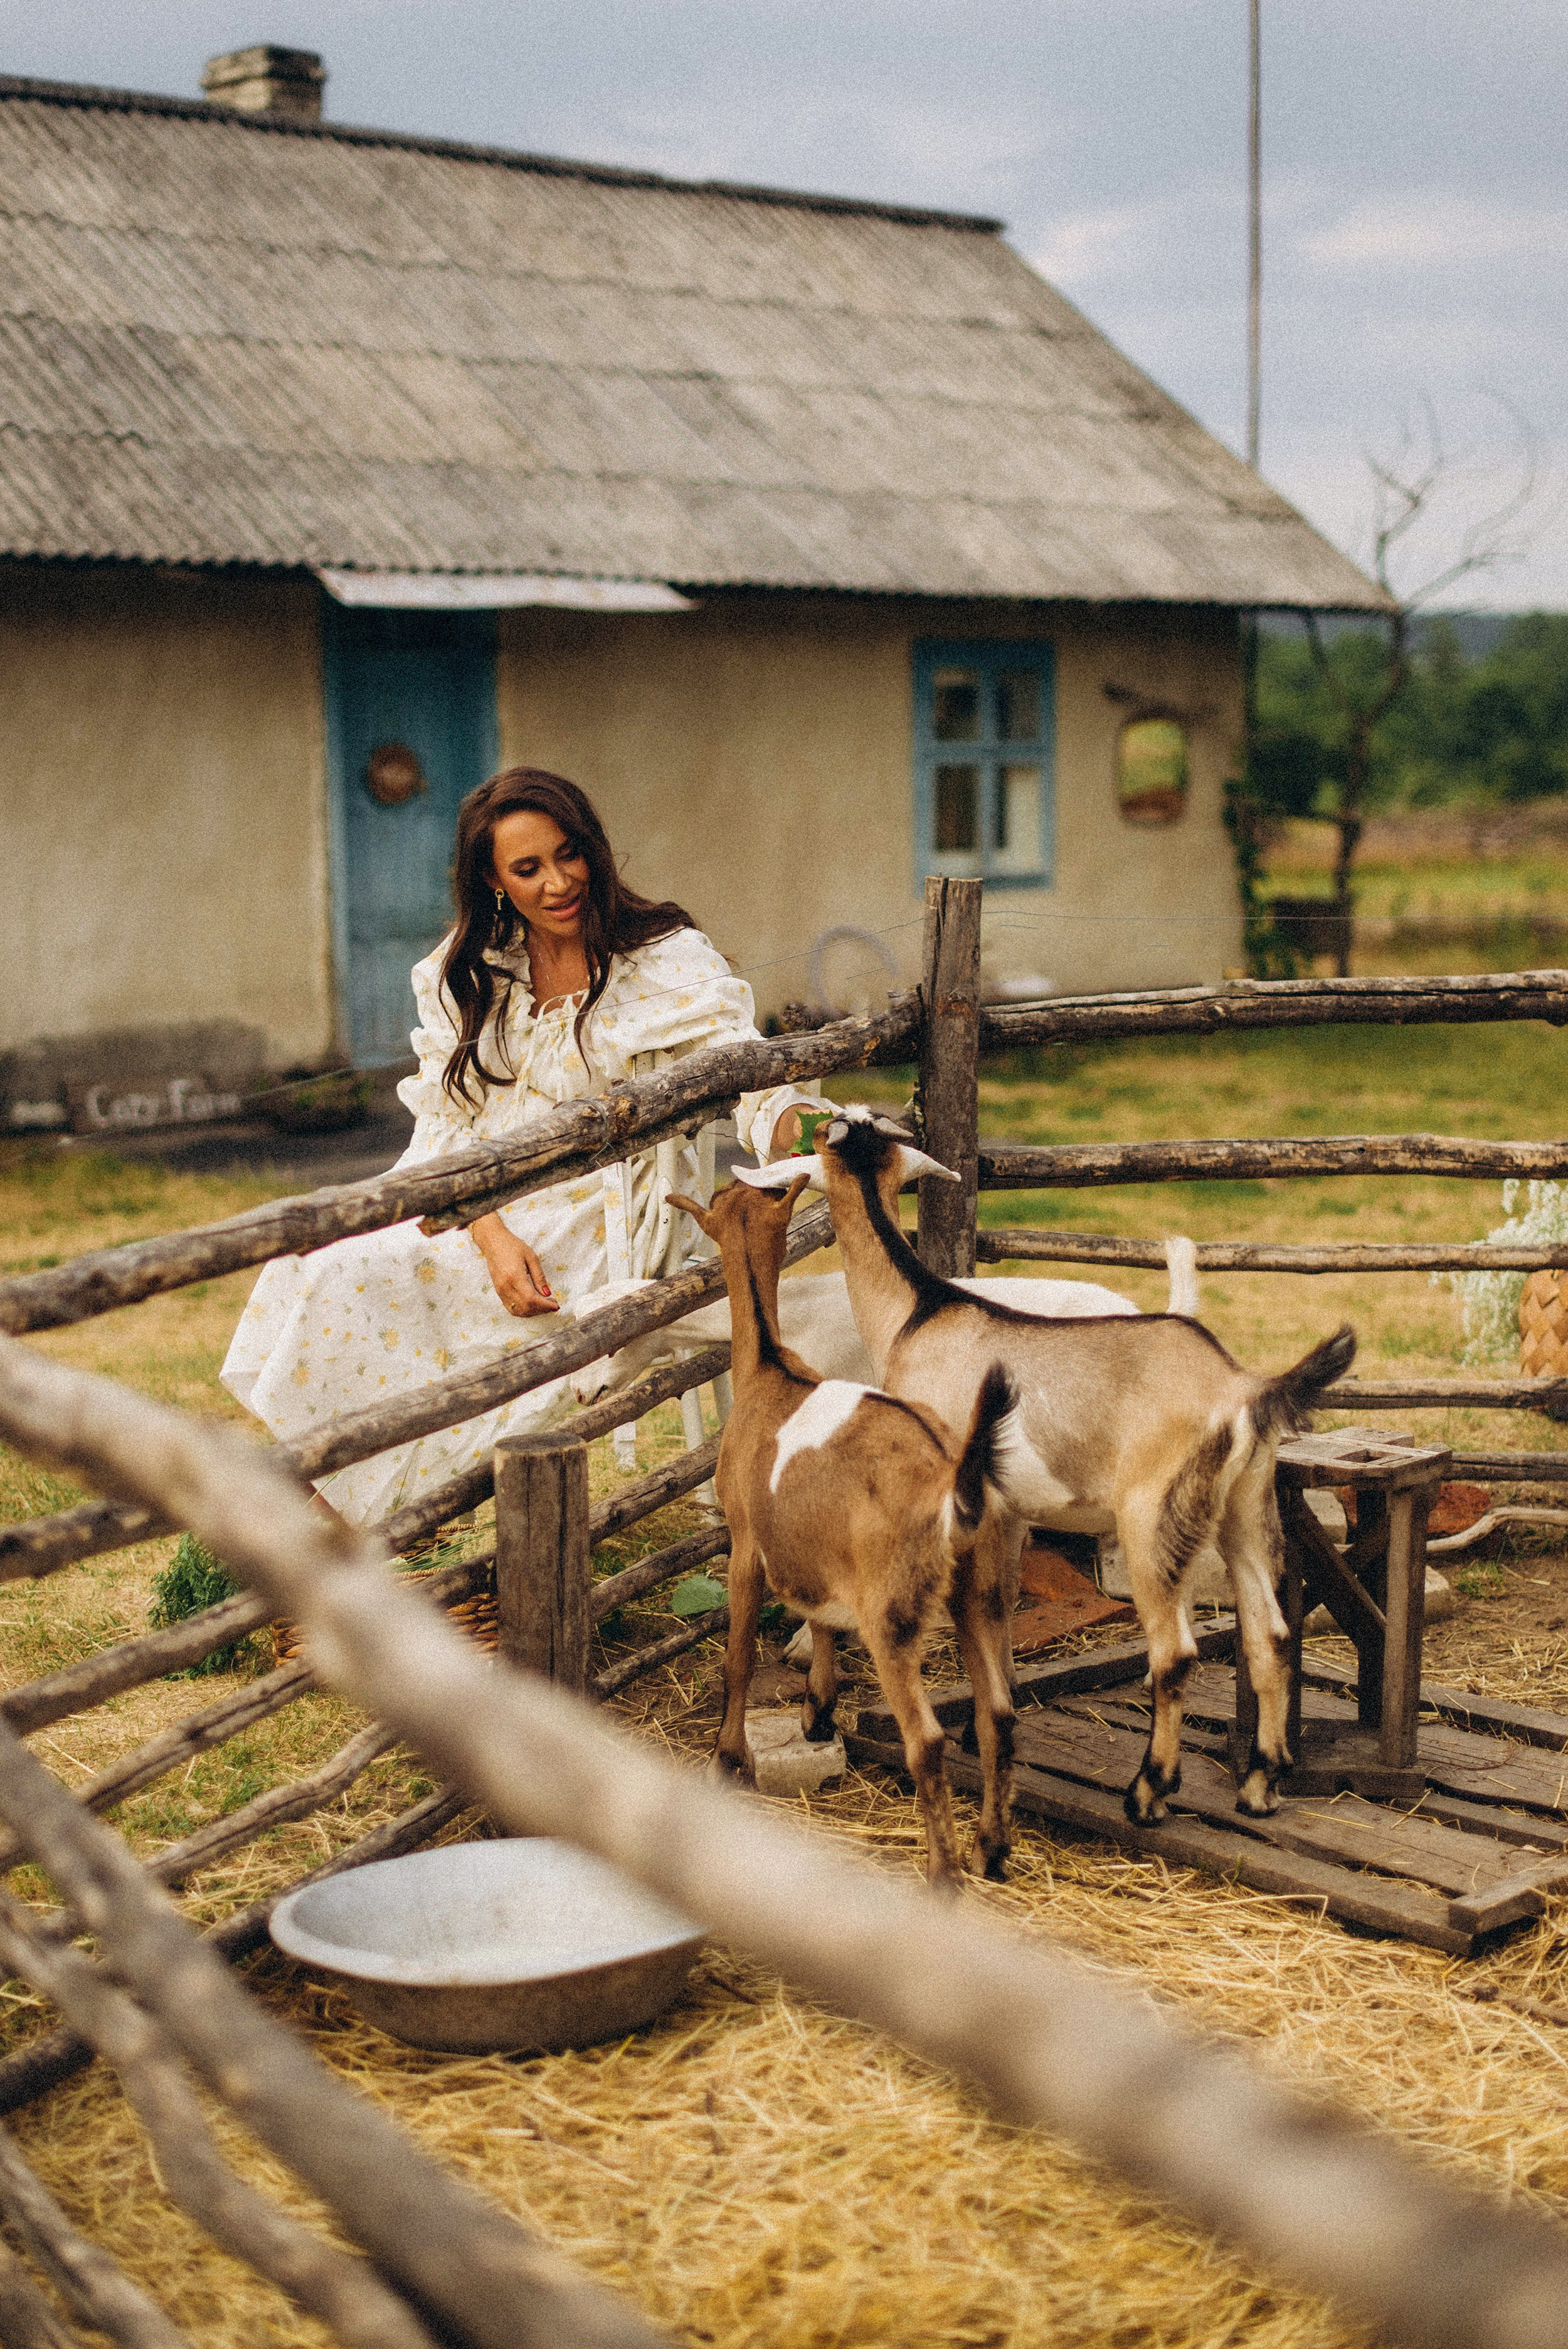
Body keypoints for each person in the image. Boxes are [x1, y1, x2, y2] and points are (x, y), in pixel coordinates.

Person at [221, 768, 829, 1525]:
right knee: (320, 1261)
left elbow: (748, 1079)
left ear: (595, 851)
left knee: (372, 1280)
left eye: (569, 854)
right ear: (493, 879)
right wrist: (489, 1229)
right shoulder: (475, 969)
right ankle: (341, 1511)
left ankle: (334, 1526)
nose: (557, 882)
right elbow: (447, 1128)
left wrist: (812, 1130)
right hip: (480, 1197)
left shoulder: (663, 958)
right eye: (528, 868)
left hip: (605, 1218)